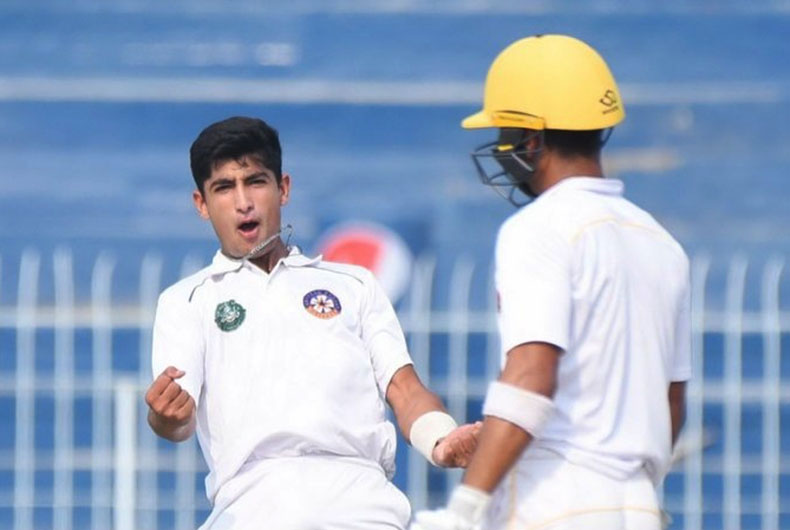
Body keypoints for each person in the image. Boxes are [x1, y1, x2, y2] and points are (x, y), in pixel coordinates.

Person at [144, 116, 480, 530]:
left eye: (256, 182)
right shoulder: (187, 300)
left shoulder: (354, 285)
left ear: (283, 188)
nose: (243, 202)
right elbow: (176, 420)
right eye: (224, 188)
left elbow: (404, 389)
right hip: (252, 512)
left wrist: (441, 439)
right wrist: (166, 416)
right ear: (202, 204)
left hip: (362, 509)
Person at [412, 34, 691, 530]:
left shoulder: (539, 228)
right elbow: (671, 401)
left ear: (532, 140)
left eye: (506, 132)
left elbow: (530, 376)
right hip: (639, 506)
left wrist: (465, 508)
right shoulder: (660, 242)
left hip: (554, 501)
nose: (501, 147)